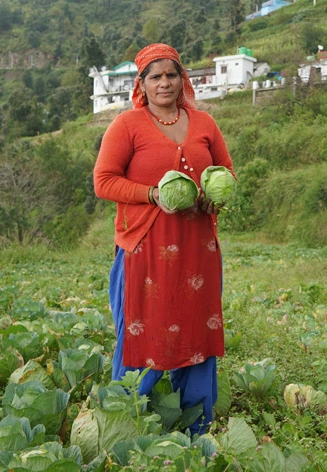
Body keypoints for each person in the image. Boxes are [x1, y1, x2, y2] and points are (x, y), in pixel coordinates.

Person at [93, 43, 234, 436]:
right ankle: (129, 419)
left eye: (171, 74)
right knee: (143, 329)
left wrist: (214, 195)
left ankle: (196, 424)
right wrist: (152, 194)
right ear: (142, 83)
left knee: (197, 328)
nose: (165, 82)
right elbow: (104, 182)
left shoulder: (204, 122)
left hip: (197, 247)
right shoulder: (127, 125)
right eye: (155, 76)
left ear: (182, 78)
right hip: (145, 247)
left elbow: (227, 171)